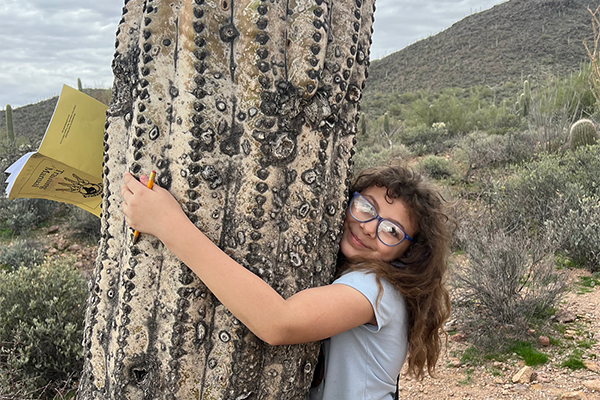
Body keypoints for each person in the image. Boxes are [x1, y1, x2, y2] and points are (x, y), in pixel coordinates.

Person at [121, 163, 452, 400]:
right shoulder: (361, 280)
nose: (369, 227)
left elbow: (277, 323)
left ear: (411, 252)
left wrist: (167, 223)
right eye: (366, 207)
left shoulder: (375, 290)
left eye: (391, 230)